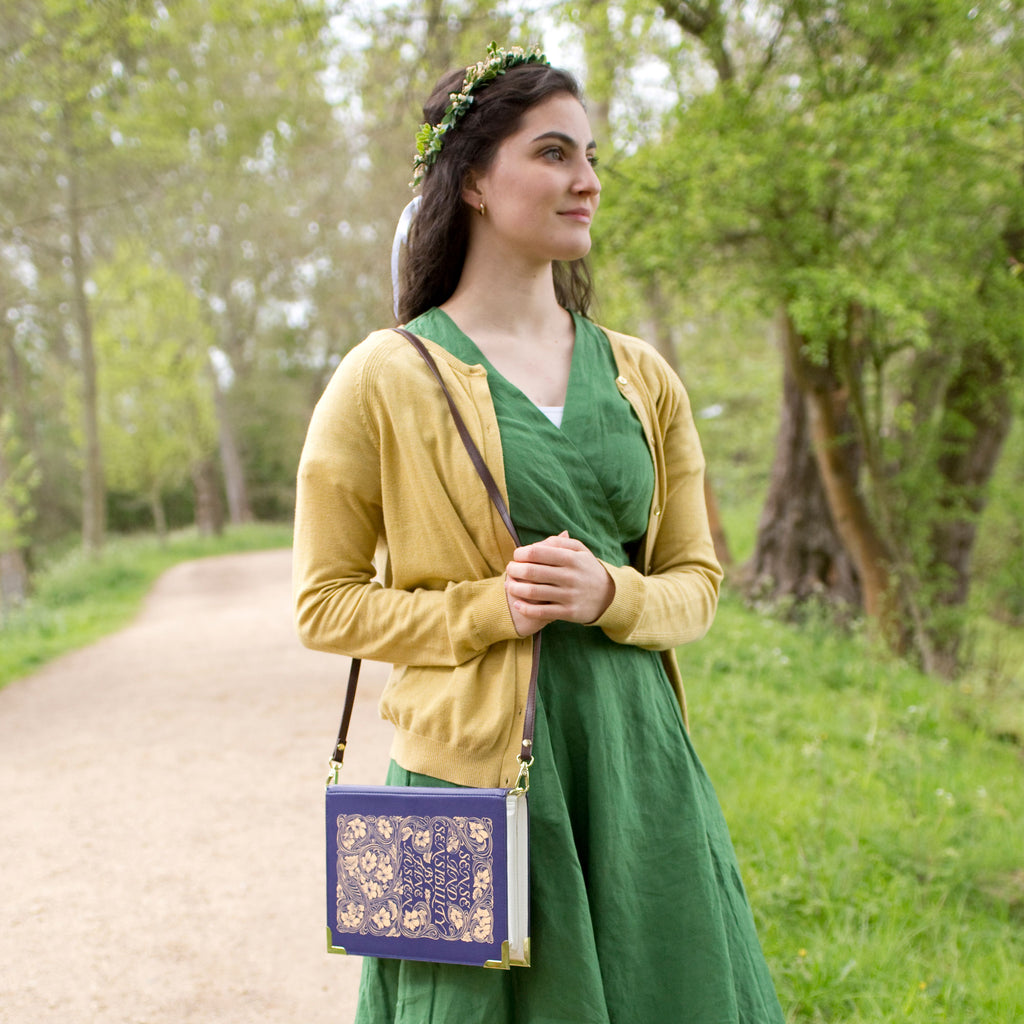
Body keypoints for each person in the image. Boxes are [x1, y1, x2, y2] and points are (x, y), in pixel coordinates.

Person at [293, 43, 785, 1024]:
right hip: (460, 778)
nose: (586, 181)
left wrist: (617, 595)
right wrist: (486, 607)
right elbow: (324, 603)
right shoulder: (382, 376)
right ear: (472, 177)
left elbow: (696, 578)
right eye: (554, 154)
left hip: (634, 763)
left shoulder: (640, 375)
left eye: (592, 156)